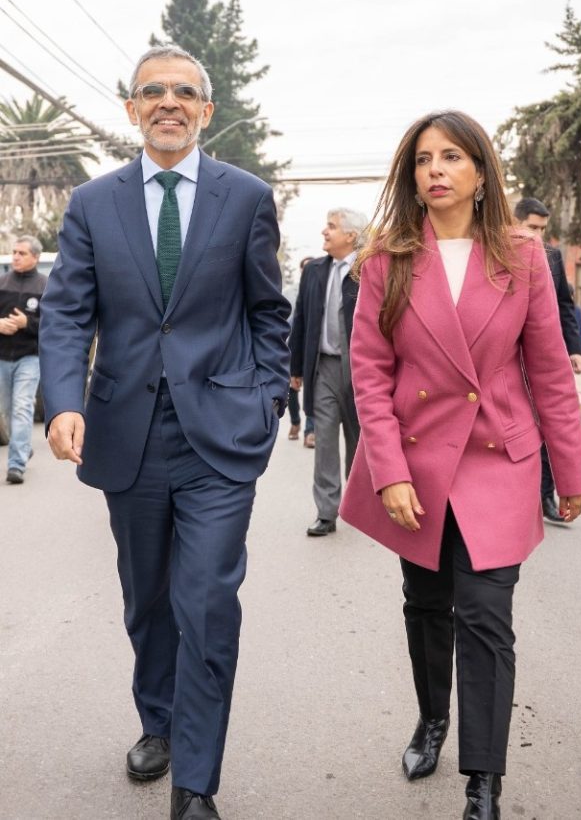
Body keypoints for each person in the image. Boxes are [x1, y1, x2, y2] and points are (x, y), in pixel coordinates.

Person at [40, 44, 290, 820]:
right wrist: (62, 400)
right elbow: (67, 310)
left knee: (207, 601)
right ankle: (158, 718)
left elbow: (266, 311)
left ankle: (196, 784)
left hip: (221, 436)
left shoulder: (245, 198)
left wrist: (266, 400)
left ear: (206, 111)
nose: (170, 102)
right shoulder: (92, 203)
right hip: (129, 432)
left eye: (185, 91)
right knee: (148, 599)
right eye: (154, 91)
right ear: (132, 109)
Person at [339, 111, 581, 819]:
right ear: (411, 176)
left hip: (496, 462)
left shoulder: (521, 257)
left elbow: (549, 373)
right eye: (424, 159)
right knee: (426, 603)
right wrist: (386, 469)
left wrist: (570, 472)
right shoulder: (385, 259)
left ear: (482, 172)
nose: (436, 170)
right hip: (416, 462)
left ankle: (484, 780)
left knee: (486, 614)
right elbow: (370, 372)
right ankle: (432, 718)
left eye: (452, 156)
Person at [288, 208, 367, 536]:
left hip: (361, 370)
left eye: (331, 227)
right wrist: (295, 368)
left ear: (351, 236)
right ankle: (326, 511)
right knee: (324, 444)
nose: (324, 232)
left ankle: (359, 505)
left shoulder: (370, 269)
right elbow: (302, 319)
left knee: (357, 440)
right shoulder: (315, 272)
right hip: (323, 366)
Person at [513, 197, 581, 524]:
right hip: (508, 359)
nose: (538, 235)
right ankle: (522, 491)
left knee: (547, 422)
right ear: (515, 223)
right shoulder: (498, 252)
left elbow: (565, 306)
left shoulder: (552, 257)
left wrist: (574, 348)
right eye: (532, 227)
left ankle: (544, 494)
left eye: (543, 229)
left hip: (542, 357)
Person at [0, 235, 46, 484]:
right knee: (6, 411)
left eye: (22, 253)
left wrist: (26, 323)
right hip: (2, 358)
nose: (15, 256)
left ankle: (16, 465)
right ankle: (23, 444)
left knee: (22, 408)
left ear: (35, 257)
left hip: (30, 357)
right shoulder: (2, 283)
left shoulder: (45, 286)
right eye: (14, 252)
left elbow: (52, 325)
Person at [287, 255, 316, 441]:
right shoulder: (290, 292)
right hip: (289, 346)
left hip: (312, 347)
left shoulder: (320, 290)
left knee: (313, 389)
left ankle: (310, 431)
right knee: (291, 388)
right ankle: (295, 421)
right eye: (305, 268)